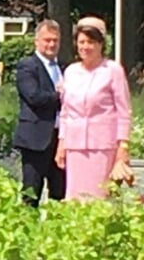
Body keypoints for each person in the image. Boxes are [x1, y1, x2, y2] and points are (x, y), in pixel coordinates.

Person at [55, 16, 132, 200]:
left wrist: (123, 145)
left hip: (102, 146)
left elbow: (124, 112)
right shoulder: (71, 72)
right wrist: (62, 143)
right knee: (75, 197)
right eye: (81, 42)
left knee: (99, 196)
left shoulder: (112, 70)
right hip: (75, 146)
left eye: (90, 42)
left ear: (100, 44)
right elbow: (65, 112)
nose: (85, 47)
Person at [12, 20, 66, 206]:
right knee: (31, 192)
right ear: (37, 41)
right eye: (47, 40)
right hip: (36, 139)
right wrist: (60, 95)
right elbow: (33, 96)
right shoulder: (27, 66)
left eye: (55, 41)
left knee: (60, 192)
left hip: (61, 139)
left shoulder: (65, 68)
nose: (51, 45)